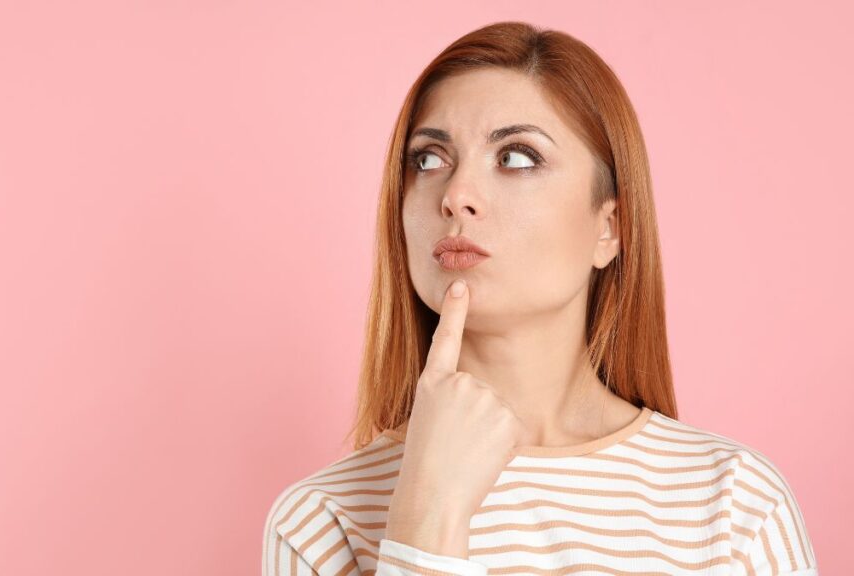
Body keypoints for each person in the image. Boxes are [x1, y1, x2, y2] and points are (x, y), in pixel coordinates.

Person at [262, 21, 817, 576]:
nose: (455, 196)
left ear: (610, 228)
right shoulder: (321, 523)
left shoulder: (736, 507)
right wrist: (426, 520)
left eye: (517, 157)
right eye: (428, 160)